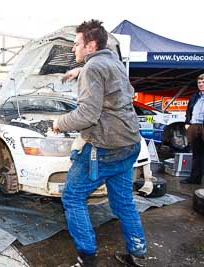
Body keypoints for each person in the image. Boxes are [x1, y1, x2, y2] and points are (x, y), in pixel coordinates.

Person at [53, 20, 146, 267]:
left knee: (72, 196)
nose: (73, 49)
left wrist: (58, 122)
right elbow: (109, 84)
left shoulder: (94, 68)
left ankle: (87, 257)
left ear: (90, 45)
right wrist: (79, 71)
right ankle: (137, 253)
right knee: (123, 200)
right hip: (129, 142)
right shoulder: (113, 62)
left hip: (106, 147)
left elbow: (86, 116)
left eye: (76, 44)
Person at [182, 73, 204, 184]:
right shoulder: (195, 96)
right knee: (196, 154)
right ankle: (195, 178)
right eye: (199, 82)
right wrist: (187, 123)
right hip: (194, 126)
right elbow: (188, 111)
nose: (201, 84)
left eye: (203, 82)